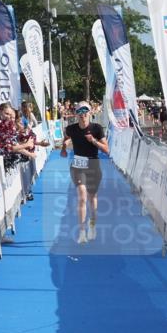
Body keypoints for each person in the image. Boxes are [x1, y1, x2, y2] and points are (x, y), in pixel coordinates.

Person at [61, 102, 109, 244]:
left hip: (93, 164)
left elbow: (106, 150)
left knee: (92, 197)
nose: (83, 114)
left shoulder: (97, 128)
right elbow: (66, 142)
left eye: (85, 111)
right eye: (80, 112)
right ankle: (82, 231)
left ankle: (92, 223)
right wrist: (64, 147)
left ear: (90, 113)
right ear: (76, 114)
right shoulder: (70, 129)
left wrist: (93, 140)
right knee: (82, 196)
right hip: (77, 165)